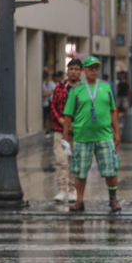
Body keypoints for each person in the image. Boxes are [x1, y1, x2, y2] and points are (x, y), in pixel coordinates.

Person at [62, 56, 121, 212]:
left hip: (105, 136)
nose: (94, 70)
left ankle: (113, 199)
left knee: (111, 169)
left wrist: (117, 132)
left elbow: (113, 111)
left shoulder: (106, 87)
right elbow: (68, 114)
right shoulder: (76, 89)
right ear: (84, 71)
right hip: (82, 137)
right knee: (80, 172)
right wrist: (65, 137)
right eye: (91, 67)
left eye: (97, 68)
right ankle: (79, 200)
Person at [50, 60, 82, 203]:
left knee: (75, 161)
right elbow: (53, 108)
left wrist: (74, 124)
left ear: (81, 71)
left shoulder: (84, 88)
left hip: (78, 132)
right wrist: (63, 122)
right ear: (67, 70)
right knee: (61, 160)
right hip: (59, 130)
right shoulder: (59, 87)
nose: (73, 71)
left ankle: (72, 189)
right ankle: (62, 189)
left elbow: (87, 110)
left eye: (76, 69)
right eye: (71, 69)